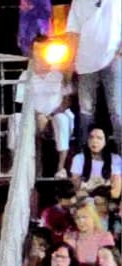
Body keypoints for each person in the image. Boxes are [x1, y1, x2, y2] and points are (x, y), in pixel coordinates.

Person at [13, 37, 75, 178]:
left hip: (55, 114)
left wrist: (50, 115)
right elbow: (20, 103)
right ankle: (17, 166)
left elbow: (67, 100)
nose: (39, 53)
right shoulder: (26, 75)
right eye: (37, 50)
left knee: (62, 120)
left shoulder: (59, 72)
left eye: (43, 50)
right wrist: (37, 115)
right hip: (34, 116)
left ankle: (61, 168)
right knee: (16, 120)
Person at [66, 0, 121, 145]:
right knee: (86, 112)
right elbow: (73, 31)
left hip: (113, 58)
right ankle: (84, 159)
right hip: (85, 61)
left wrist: (120, 50)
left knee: (117, 110)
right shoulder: (78, 2)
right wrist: (70, 62)